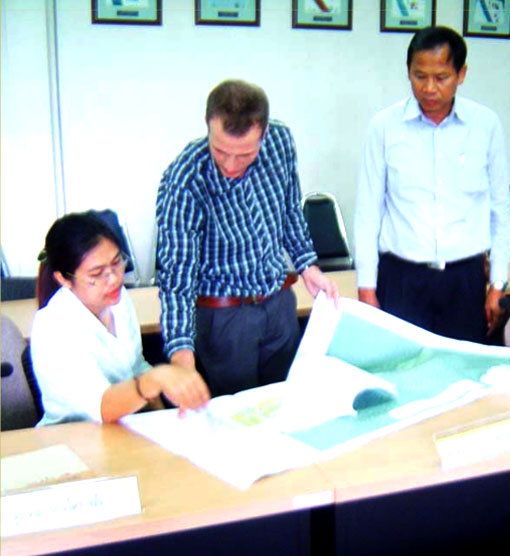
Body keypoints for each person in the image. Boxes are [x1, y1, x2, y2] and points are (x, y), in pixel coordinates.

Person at [156, 79, 338, 397]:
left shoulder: (280, 141)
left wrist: (308, 266)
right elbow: (176, 277)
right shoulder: (186, 178)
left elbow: (289, 210)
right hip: (224, 318)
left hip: (279, 304)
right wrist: (182, 357)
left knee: (289, 402)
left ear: (263, 134)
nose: (230, 164)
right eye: (220, 150)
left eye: (244, 155)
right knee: (237, 415)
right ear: (208, 126)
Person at [354, 25, 510, 344]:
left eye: (441, 77)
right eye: (419, 76)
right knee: (400, 366)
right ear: (408, 72)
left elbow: (501, 211)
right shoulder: (383, 127)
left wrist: (498, 284)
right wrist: (366, 288)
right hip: (401, 279)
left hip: (464, 280)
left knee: (463, 369)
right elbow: (367, 213)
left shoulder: (485, 125)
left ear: (461, 74)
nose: (429, 88)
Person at [31, 212, 210, 426]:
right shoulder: (53, 327)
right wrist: (154, 379)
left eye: (117, 263)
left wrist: (166, 402)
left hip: (124, 426)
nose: (114, 278)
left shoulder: (118, 299)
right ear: (64, 279)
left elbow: (135, 367)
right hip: (72, 436)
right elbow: (102, 407)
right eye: (97, 274)